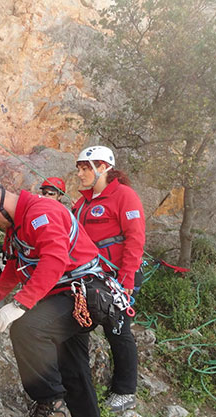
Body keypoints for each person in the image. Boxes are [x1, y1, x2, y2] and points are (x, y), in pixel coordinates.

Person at [0, 176, 104, 417]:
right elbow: (16, 264)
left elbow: (54, 259)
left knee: (27, 329)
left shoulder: (41, 213)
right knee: (74, 370)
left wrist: (20, 304)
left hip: (81, 292)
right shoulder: (17, 225)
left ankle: (51, 406)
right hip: (69, 295)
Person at [73, 145, 145, 413]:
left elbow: (135, 239)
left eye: (85, 168)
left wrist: (126, 281)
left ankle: (125, 391)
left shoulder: (124, 196)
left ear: (102, 168)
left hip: (120, 276)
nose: (80, 174)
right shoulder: (83, 202)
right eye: (79, 168)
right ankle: (77, 383)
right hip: (92, 277)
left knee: (118, 330)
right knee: (80, 324)